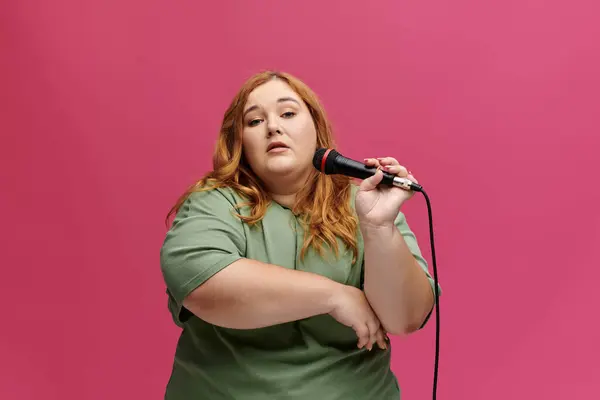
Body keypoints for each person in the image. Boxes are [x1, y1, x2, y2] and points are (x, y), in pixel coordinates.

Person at [159, 70, 440, 400]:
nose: (273, 127)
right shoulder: (213, 201)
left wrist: (379, 228)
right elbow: (202, 285)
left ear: (317, 129)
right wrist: (334, 296)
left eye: (288, 113)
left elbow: (406, 317)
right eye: (254, 121)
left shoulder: (364, 203)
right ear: (241, 144)